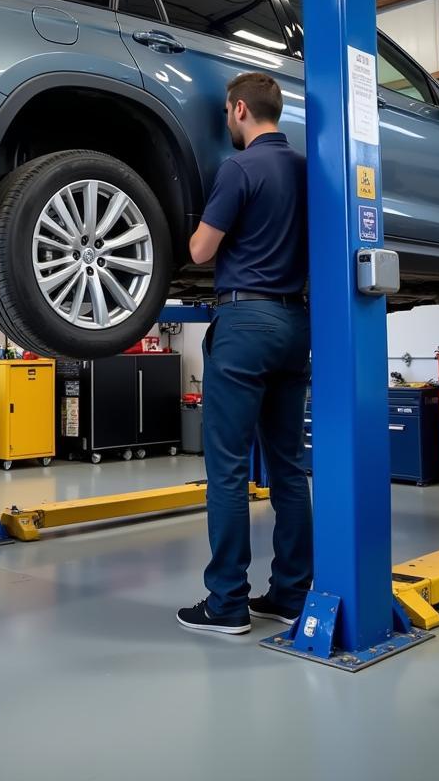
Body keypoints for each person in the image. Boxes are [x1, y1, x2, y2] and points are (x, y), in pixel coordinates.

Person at [177, 72, 312, 636]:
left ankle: (227, 602)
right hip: (295, 323)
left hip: (245, 322)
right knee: (287, 466)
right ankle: (289, 593)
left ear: (237, 110)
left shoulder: (239, 168)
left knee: (227, 467)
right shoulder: (306, 170)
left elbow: (202, 251)